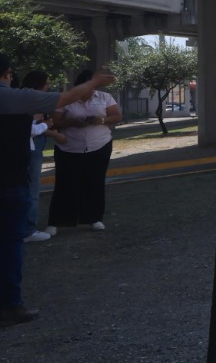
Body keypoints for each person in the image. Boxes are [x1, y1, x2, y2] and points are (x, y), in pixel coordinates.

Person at [0, 57, 115, 326]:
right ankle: (10, 305)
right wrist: (96, 81)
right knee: (10, 242)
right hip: (8, 181)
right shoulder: (14, 98)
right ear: (6, 74)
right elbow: (65, 99)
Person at [46, 68, 123, 235]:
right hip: (69, 148)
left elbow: (116, 116)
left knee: (94, 182)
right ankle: (56, 221)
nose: (91, 90)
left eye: (94, 87)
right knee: (65, 184)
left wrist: (101, 120)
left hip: (99, 145)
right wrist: (72, 122)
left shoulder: (104, 98)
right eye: (88, 86)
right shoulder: (66, 100)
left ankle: (93, 218)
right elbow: (54, 122)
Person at [20, 71, 62, 242]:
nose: (48, 86)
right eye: (46, 83)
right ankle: (29, 229)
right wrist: (47, 125)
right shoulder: (28, 102)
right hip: (31, 146)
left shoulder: (24, 99)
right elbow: (29, 128)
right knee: (31, 188)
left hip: (34, 144)